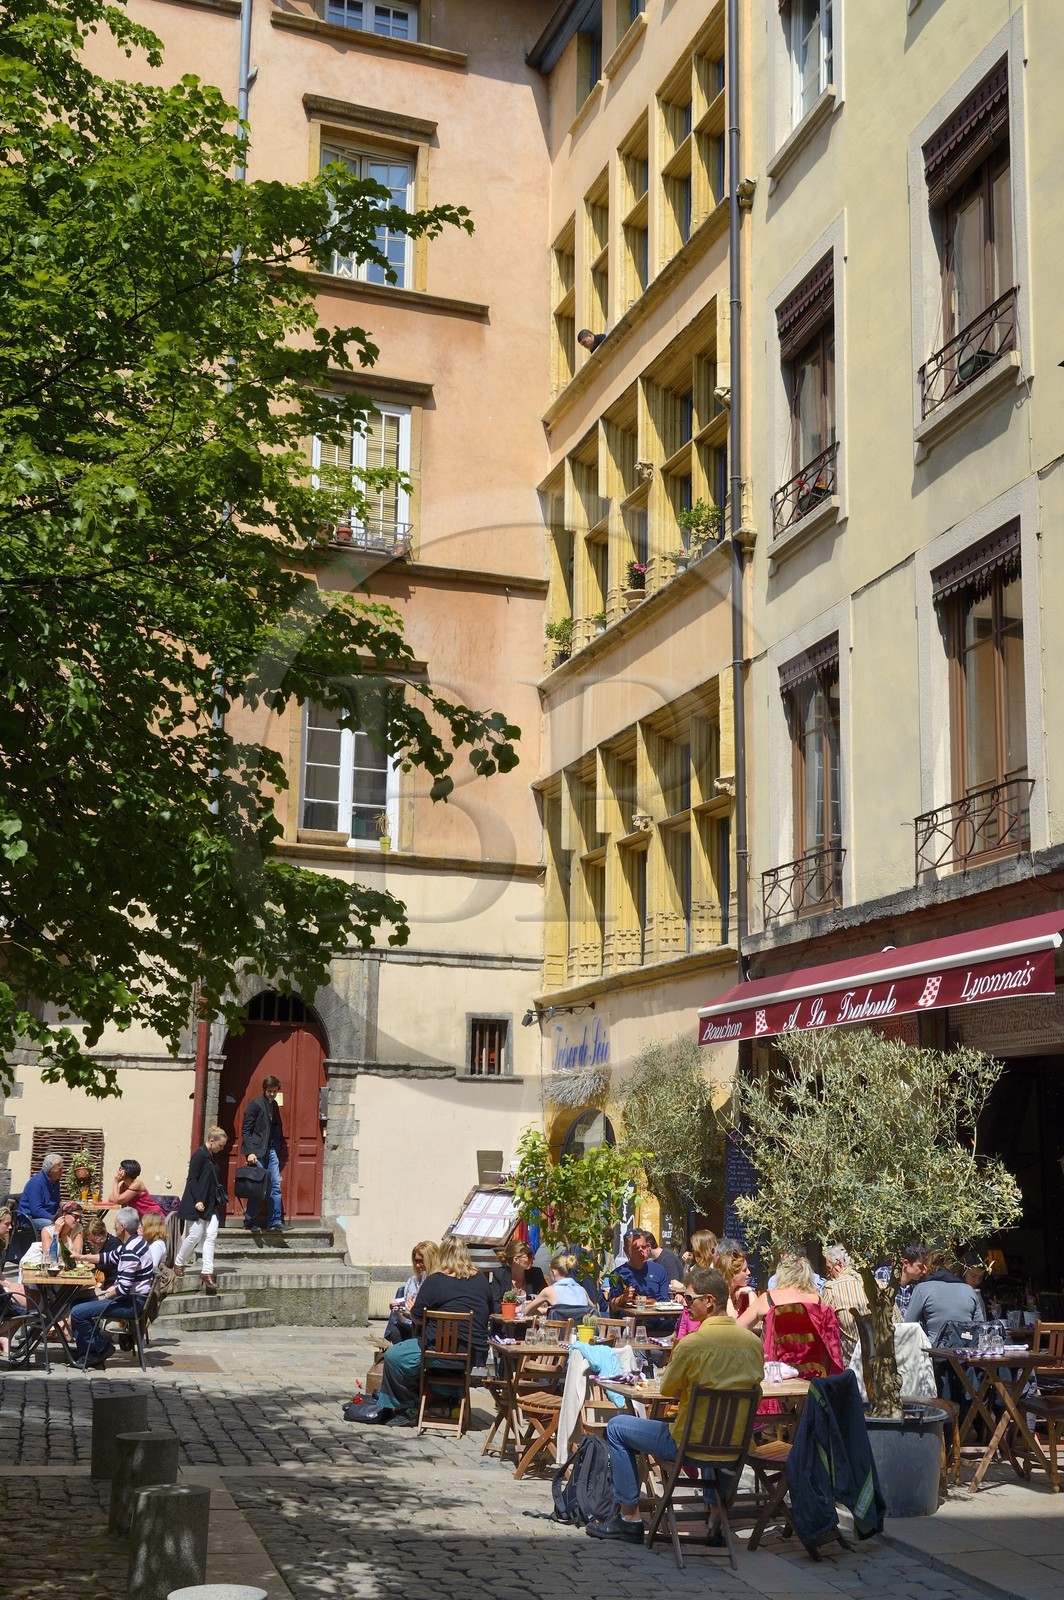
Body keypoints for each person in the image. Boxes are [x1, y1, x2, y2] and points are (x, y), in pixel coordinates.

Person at [588, 1266, 765, 1543]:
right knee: (718, 1429)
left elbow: (667, 1388)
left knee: (617, 1427)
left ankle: (629, 1516)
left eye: (689, 1298)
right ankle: (716, 1520)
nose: (684, 1303)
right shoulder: (752, 1343)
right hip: (733, 1445)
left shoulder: (693, 1344)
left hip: (687, 1442)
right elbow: (756, 1388)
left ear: (709, 1301)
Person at [355, 1235, 492, 1425]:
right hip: (471, 1357)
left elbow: (418, 1316)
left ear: (443, 1255)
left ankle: (406, 1406)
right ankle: (438, 1399)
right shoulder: (481, 1280)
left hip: (436, 1353)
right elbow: (492, 1310)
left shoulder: (436, 1280)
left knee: (394, 1356)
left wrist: (412, 1308)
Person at [69, 1207, 154, 1369]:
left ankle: (102, 1347)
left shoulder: (130, 1250)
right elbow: (109, 1257)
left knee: (77, 1312)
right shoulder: (135, 1242)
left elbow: (122, 1288)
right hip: (131, 1299)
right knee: (77, 1303)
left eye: (115, 1224)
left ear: (122, 1226)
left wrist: (104, 1295)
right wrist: (81, 1257)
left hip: (130, 1304)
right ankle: (86, 1352)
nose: (113, 1227)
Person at [174, 1126, 228, 1295]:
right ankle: (179, 1262)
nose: (222, 1148)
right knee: (195, 1235)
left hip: (211, 1204)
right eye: (220, 1145)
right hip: (197, 1203)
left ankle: (207, 1272)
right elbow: (192, 1179)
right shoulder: (200, 1154)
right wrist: (197, 1200)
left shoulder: (212, 1156)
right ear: (211, 1141)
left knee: (211, 1236)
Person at [903, 1249, 986, 1350]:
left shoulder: (922, 1289)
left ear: (927, 1268)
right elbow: (981, 1327)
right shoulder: (969, 1290)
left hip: (935, 1355)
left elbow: (908, 1326)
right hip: (965, 1355)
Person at [241, 1074, 285, 1231]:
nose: (272, 1094)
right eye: (269, 1091)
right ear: (264, 1090)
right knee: (257, 1187)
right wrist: (250, 1152)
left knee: (275, 1185)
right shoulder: (255, 1105)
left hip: (271, 1150)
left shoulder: (273, 1106)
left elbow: (276, 1127)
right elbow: (246, 1130)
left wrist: (277, 1145)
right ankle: (250, 1221)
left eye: (274, 1091)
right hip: (257, 1152)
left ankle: (275, 1222)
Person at [739, 1252, 823, 1331]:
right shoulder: (818, 1301)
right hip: (810, 1346)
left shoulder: (768, 1299)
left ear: (781, 1274)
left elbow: (739, 1328)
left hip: (773, 1346)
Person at [820, 1243, 870, 1364]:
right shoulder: (874, 1283)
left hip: (852, 1361)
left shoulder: (831, 1288)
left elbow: (822, 1325)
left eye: (828, 1269)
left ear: (840, 1264)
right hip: (880, 1358)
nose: (827, 1275)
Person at [384, 1240, 439, 1344]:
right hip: (412, 1323)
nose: (418, 1265)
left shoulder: (439, 1282)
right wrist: (397, 1309)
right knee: (396, 1330)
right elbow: (405, 1317)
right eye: (416, 1261)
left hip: (430, 1327)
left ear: (432, 1260)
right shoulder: (412, 1282)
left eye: (422, 1261)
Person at [609, 1229, 671, 1314]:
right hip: (632, 1322)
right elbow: (613, 1306)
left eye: (644, 1247)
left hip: (658, 1321)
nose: (641, 1251)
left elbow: (665, 1301)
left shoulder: (659, 1270)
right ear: (626, 1251)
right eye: (636, 1248)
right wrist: (623, 1298)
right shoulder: (617, 1274)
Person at [520, 1251, 594, 1321]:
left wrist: (549, 1311)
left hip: (559, 1333)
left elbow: (526, 1311)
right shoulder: (582, 1290)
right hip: (580, 1332)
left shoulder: (549, 1291)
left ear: (553, 1272)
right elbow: (593, 1310)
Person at [489, 1239, 546, 1313]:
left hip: (529, 1323)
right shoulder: (500, 1275)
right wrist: (519, 1309)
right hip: (505, 1323)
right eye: (529, 1255)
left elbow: (546, 1299)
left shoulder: (536, 1273)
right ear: (516, 1259)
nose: (533, 1258)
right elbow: (496, 1307)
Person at [18, 1152, 64, 1231]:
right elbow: (36, 1210)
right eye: (59, 1169)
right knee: (52, 1225)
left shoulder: (55, 1182)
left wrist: (61, 1215)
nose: (62, 1172)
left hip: (48, 1216)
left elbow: (56, 1204)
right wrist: (54, 1219)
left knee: (71, 1222)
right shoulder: (36, 1183)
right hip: (30, 1219)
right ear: (49, 1171)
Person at [714, 1244, 755, 1320]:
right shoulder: (716, 1297)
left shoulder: (745, 1293)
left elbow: (757, 1319)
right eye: (744, 1270)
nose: (749, 1272)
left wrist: (750, 1292)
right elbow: (731, 1322)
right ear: (732, 1274)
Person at [893, 1243, 927, 1318]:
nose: (924, 1271)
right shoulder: (885, 1275)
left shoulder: (921, 1285)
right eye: (920, 1266)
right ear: (906, 1263)